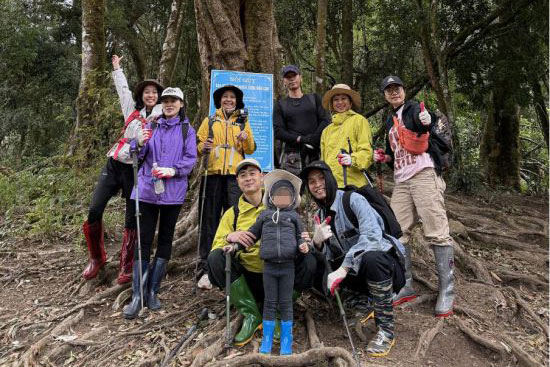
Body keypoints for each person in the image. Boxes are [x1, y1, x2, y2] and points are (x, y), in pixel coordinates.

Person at [206, 159, 317, 347]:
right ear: (238, 181)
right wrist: (230, 237)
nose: (248, 178)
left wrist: (305, 241)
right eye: (242, 175)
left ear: (262, 177)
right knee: (215, 258)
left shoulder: (279, 202)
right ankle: (251, 313)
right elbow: (217, 246)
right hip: (248, 279)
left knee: (310, 261)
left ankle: (279, 314)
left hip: (280, 274)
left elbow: (298, 234)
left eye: (252, 173)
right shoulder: (232, 214)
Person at [300, 160, 405, 357]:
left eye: (321, 178)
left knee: (372, 258)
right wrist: (317, 243)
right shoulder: (319, 214)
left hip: (387, 270)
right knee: (312, 262)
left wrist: (344, 268)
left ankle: (386, 331)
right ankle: (360, 304)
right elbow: (327, 259)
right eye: (312, 182)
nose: (317, 185)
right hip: (358, 277)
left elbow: (373, 237)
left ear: (330, 179)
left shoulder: (353, 199)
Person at [374, 75, 455, 317]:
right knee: (398, 233)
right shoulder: (390, 120)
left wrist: (426, 120)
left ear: (404, 90)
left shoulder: (413, 109)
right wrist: (385, 157)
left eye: (397, 88)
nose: (394, 93)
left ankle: (447, 291)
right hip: (401, 181)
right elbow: (394, 154)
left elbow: (424, 124)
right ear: (385, 95)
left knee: (437, 231)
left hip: (423, 175)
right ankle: (405, 284)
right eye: (389, 90)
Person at [81, 55, 163, 284]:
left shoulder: (160, 116)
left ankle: (126, 264)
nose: (150, 95)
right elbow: (123, 90)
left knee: (131, 215)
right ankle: (97, 258)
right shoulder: (131, 109)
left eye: (154, 93)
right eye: (147, 92)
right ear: (142, 95)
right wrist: (117, 68)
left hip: (136, 169)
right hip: (115, 163)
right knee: (95, 208)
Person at [123, 87, 197, 319]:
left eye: (173, 100)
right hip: (146, 191)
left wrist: (173, 170)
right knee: (143, 240)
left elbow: (190, 159)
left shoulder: (187, 130)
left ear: (181, 104)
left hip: (172, 193)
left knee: (165, 239)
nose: (169, 104)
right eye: (166, 100)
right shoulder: (150, 125)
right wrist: (138, 142)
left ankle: (153, 291)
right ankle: (138, 296)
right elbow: (134, 153)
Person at [236, 169, 309, 355]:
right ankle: (267, 338)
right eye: (278, 195)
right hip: (268, 266)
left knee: (285, 302)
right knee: (269, 302)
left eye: (286, 195)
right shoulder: (264, 216)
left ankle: (286, 339)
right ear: (271, 197)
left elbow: (302, 237)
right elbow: (251, 235)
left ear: (292, 198)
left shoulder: (294, 217)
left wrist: (304, 245)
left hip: (288, 266)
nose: (282, 198)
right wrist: (235, 246)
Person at [196, 85, 256, 289]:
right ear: (219, 100)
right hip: (212, 175)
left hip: (233, 177)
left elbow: (250, 148)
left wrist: (246, 138)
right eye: (225, 97)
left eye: (232, 97)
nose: (228, 100)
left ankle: (236, 264)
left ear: (237, 101)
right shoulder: (210, 120)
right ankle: (206, 267)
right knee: (208, 220)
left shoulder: (243, 122)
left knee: (235, 218)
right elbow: (199, 145)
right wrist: (201, 148)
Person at [273, 65, 331, 175]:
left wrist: (313, 138)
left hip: (316, 152)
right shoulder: (281, 104)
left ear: (300, 78)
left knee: (318, 188)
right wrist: (300, 139)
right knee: (294, 189)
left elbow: (325, 120)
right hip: (292, 156)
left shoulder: (314, 98)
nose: (291, 79)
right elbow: (278, 131)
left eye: (294, 76)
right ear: (284, 81)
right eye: (287, 77)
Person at [320, 84, 373, 188]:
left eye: (343, 98)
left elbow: (367, 152)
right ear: (332, 104)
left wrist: (352, 159)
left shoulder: (359, 121)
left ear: (350, 102)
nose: (340, 102)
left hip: (355, 185)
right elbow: (323, 160)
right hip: (332, 185)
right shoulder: (326, 131)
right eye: (336, 99)